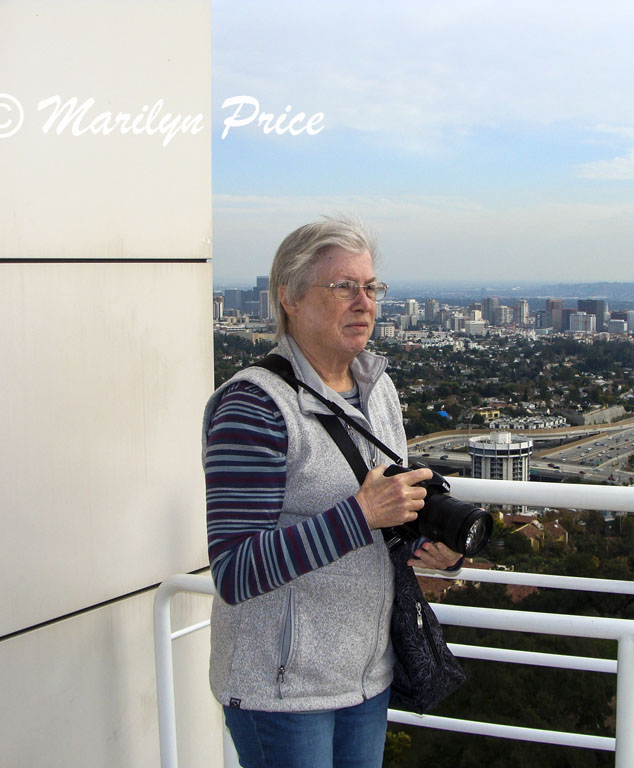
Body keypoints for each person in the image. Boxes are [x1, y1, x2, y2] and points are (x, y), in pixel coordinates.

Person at [202, 216, 463, 768]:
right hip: (281, 690)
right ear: (290, 298)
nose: (364, 303)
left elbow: (385, 520)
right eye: (343, 286)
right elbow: (234, 570)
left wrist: (429, 545)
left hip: (365, 676)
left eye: (371, 287)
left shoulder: (378, 388)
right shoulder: (254, 407)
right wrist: (360, 514)